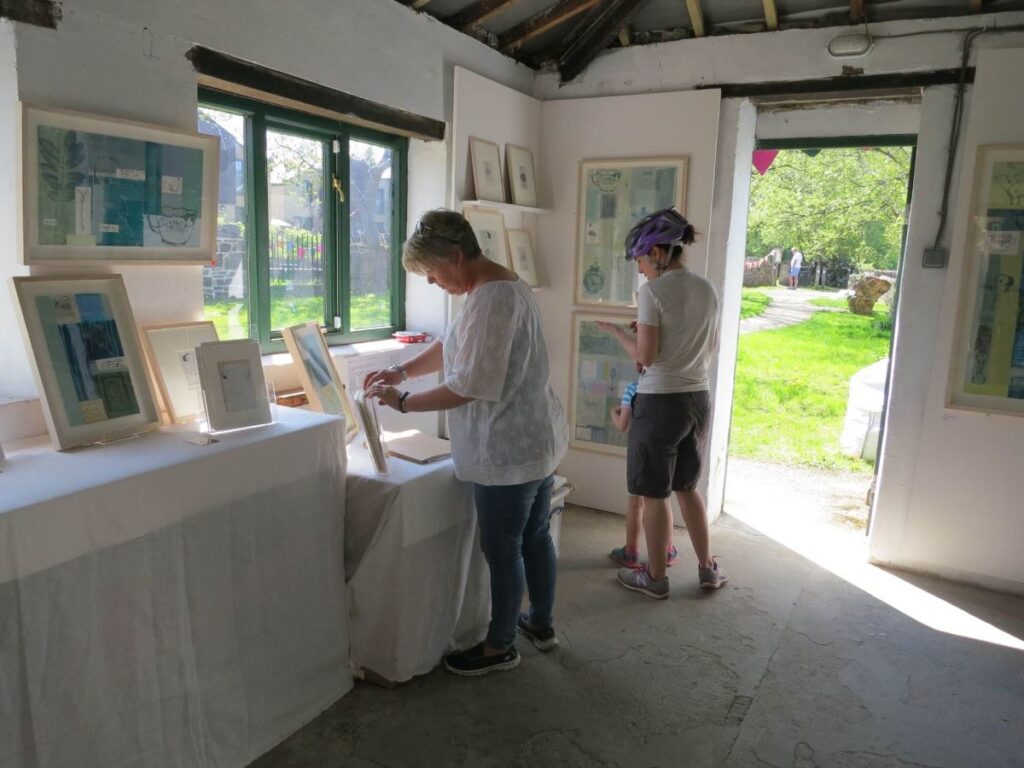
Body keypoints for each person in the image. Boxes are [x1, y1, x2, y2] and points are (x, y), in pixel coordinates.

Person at [364, 209, 568, 676]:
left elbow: (469, 384)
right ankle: (540, 622)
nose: (433, 283)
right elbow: (453, 344)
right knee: (535, 536)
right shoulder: (493, 287)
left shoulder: (493, 299)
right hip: (533, 438)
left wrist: (402, 401)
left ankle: (499, 646)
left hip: (508, 447)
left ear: (456, 256)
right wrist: (402, 370)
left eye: (433, 273)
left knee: (503, 549)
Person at [598, 207, 728, 599]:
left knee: (654, 493)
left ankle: (655, 578)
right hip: (697, 398)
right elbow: (709, 345)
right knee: (688, 487)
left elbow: (647, 358)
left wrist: (627, 335)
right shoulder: (707, 288)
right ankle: (708, 569)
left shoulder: (651, 292)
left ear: (656, 253)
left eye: (640, 259)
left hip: (659, 403)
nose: (639, 269)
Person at [607, 362, 678, 570]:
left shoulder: (632, 389)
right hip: (663, 449)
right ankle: (667, 550)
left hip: (639, 450)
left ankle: (631, 552)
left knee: (635, 503)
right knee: (662, 501)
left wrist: (614, 412)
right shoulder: (669, 388)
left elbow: (623, 425)